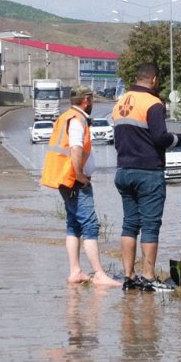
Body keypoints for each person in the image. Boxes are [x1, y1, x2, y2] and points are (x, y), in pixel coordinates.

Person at [112, 63, 181, 293]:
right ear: (155, 80)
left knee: (129, 224)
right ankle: (148, 278)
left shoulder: (121, 102)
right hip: (148, 172)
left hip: (123, 171)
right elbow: (160, 139)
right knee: (150, 225)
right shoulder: (153, 103)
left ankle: (129, 277)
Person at [40, 85, 121, 287]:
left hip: (65, 178)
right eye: (92, 99)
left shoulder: (66, 116)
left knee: (74, 224)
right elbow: (75, 150)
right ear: (86, 100)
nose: (92, 103)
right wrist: (80, 176)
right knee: (90, 224)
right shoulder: (77, 121)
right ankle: (99, 274)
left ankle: (75, 271)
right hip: (73, 180)